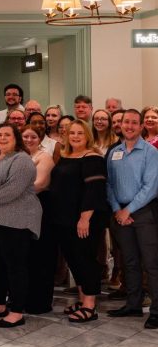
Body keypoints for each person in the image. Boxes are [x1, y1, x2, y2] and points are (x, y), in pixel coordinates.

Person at [0, 124, 41, 328]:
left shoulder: (21, 159)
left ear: (16, 137)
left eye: (7, 134)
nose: (2, 138)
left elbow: (13, 190)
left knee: (15, 266)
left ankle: (17, 311)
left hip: (15, 221)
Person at [48, 119, 109, 323]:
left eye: (80, 133)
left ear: (87, 136)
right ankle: (83, 300)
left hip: (83, 220)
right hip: (63, 219)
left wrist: (85, 218)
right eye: (72, 133)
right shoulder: (66, 156)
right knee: (74, 260)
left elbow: (94, 191)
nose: (75, 136)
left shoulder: (92, 158)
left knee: (85, 260)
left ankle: (90, 306)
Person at [106, 109, 158, 329]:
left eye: (134, 123)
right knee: (129, 261)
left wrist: (129, 210)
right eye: (126, 122)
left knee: (152, 263)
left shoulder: (150, 152)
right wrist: (118, 209)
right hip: (120, 213)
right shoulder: (114, 152)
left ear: (141, 126)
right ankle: (133, 304)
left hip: (145, 212)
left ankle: (156, 310)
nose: (129, 126)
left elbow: (152, 186)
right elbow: (108, 183)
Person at [21, 124, 56, 314]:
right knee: (26, 257)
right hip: (22, 210)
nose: (28, 140)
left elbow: (40, 184)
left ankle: (40, 302)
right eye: (25, 136)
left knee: (41, 256)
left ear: (40, 139)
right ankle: (24, 298)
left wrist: (13, 190)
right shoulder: (19, 156)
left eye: (33, 137)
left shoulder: (44, 157)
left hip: (41, 210)